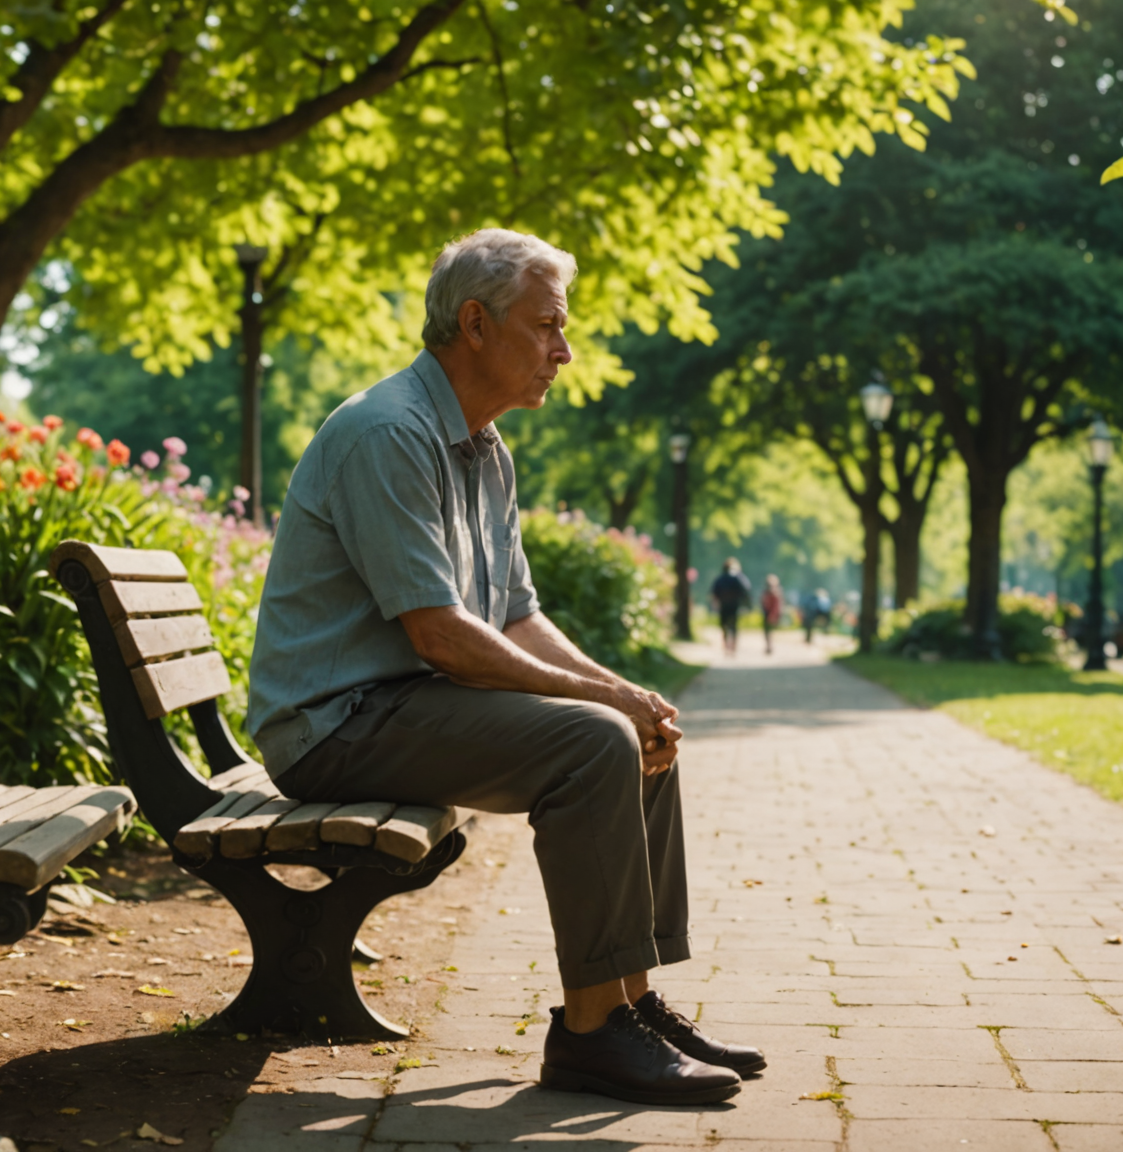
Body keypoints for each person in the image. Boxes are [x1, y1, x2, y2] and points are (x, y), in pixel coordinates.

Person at [246, 229, 761, 1108]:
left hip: (404, 707)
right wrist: (602, 702)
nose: (565, 350)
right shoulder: (388, 432)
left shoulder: (486, 450)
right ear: (476, 325)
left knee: (633, 729)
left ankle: (629, 1001)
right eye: (548, 325)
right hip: (333, 727)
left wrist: (625, 695)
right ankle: (591, 1037)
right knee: (594, 742)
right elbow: (441, 636)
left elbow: (516, 614)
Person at [709, 560, 751, 656]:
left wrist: (715, 604)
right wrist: (745, 603)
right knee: (734, 626)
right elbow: (746, 589)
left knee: (724, 626)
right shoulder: (738, 577)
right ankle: (733, 646)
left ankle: (726, 645)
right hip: (734, 605)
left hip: (723, 605)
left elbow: (714, 592)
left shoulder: (720, 578)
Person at [760, 576, 784, 656]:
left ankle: (769, 646)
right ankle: (768, 646)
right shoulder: (766, 592)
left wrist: (773, 615)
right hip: (766, 612)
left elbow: (777, 605)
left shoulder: (775, 592)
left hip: (771, 614)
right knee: (767, 631)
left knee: (769, 631)